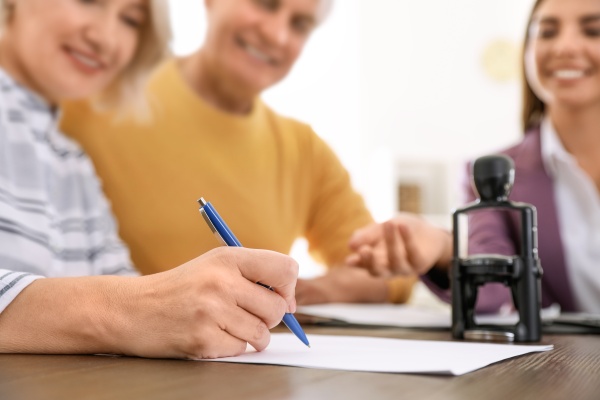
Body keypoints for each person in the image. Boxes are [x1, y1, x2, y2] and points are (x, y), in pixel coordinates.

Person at [60, 0, 417, 305]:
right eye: (265, 3)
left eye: (299, 24)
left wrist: (312, 290)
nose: (277, 35)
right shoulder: (94, 90)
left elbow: (389, 271)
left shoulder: (303, 150)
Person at [0, 0, 299, 359]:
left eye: (130, 20)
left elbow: (126, 291)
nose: (105, 39)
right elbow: (130, 307)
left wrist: (184, 306)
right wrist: (123, 314)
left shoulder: (72, 164)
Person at [346, 0, 600, 313]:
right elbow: (492, 293)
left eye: (593, 31)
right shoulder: (490, 174)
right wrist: (440, 249)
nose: (565, 46)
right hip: (567, 362)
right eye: (546, 32)